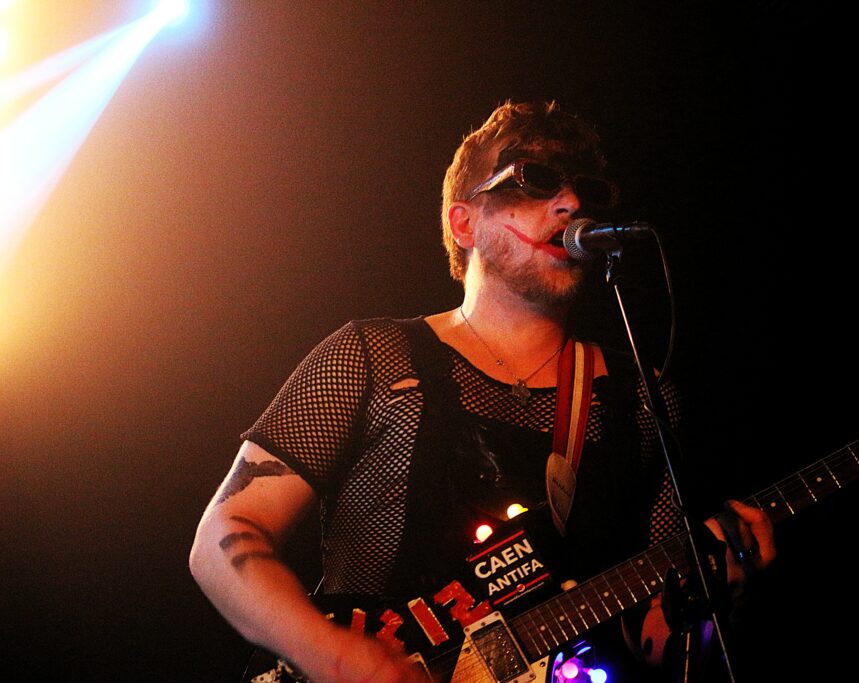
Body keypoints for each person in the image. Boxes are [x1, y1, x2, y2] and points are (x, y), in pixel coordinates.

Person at [189, 100, 776, 683]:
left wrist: (723, 596)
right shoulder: (375, 356)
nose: (570, 204)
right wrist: (333, 655)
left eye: (584, 190)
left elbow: (654, 644)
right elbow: (224, 534)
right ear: (463, 223)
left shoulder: (640, 397)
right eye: (533, 180)